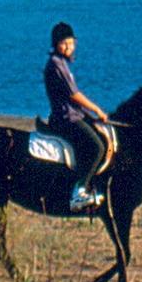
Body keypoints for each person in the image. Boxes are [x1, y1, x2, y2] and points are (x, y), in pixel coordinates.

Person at [43, 22, 109, 211]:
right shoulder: (56, 65)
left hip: (74, 114)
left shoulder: (63, 63)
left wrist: (89, 116)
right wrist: (96, 110)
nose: (69, 47)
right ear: (56, 44)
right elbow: (73, 95)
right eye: (64, 43)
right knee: (97, 147)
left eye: (71, 43)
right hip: (66, 118)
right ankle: (79, 192)